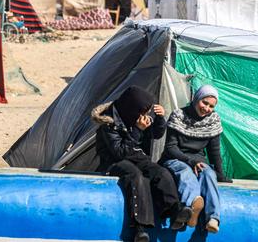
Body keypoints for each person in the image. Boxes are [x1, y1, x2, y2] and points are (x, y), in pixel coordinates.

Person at [92, 86, 192, 242]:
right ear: (132, 107)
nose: (144, 115)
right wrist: (137, 130)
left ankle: (174, 210)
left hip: (137, 156)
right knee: (136, 176)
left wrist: (159, 119)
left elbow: (157, 135)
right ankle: (139, 228)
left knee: (160, 171)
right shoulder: (108, 123)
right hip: (113, 162)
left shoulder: (136, 115)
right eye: (142, 111)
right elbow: (119, 153)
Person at [160, 85, 232, 234]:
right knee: (185, 172)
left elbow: (214, 152)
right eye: (204, 103)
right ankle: (192, 205)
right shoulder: (178, 115)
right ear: (196, 99)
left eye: (211, 106)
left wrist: (220, 174)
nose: (206, 108)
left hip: (199, 161)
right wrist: (189, 161)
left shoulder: (213, 120)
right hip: (176, 158)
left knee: (208, 174)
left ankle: (213, 218)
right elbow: (171, 147)